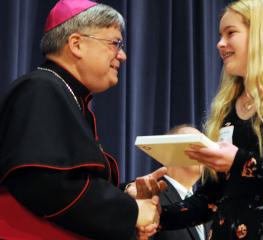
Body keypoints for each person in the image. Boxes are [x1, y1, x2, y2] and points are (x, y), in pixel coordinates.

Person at [149, 0, 263, 239]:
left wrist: (240, 162)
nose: (220, 44)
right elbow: (210, 200)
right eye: (220, 35)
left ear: (262, 35)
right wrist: (157, 217)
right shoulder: (227, 107)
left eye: (231, 33)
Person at [0, 0, 166, 239]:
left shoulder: (66, 93)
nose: (123, 55)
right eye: (115, 43)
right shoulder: (40, 88)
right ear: (76, 44)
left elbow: (71, 183)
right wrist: (130, 212)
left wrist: (125, 195)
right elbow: (47, 185)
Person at [151, 125, 211, 240]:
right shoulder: (149, 195)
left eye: (205, 146)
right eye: (196, 144)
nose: (204, 152)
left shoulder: (207, 205)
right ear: (170, 151)